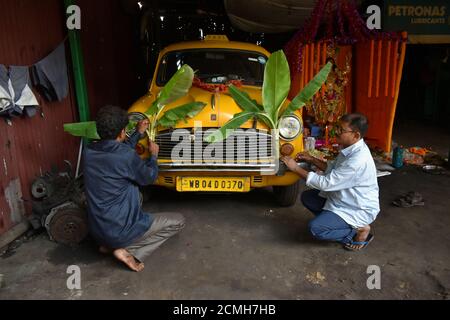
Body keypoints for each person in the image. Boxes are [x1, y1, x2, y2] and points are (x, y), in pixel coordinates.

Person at [83, 105, 185, 272]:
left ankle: (107, 245)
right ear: (122, 132)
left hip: (96, 231)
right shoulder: (125, 156)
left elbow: (118, 153)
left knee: (128, 187)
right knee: (178, 221)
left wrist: (138, 132)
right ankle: (127, 250)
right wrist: (153, 156)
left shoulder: (89, 152)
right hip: (120, 231)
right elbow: (148, 177)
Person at [281, 113, 380, 251]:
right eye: (337, 127)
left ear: (356, 135)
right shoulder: (349, 147)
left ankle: (357, 232)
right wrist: (312, 159)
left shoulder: (358, 160)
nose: (336, 132)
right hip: (344, 199)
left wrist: (295, 168)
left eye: (341, 130)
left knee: (315, 229)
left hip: (356, 208)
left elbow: (326, 184)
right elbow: (333, 168)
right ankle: (336, 223)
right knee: (308, 197)